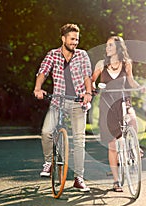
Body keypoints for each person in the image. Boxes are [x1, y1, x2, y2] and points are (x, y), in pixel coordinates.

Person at [34, 23, 92, 192]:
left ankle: (79, 178)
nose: (75, 42)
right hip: (58, 101)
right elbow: (43, 71)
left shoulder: (82, 55)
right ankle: (48, 162)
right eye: (72, 39)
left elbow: (87, 75)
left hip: (77, 102)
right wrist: (38, 88)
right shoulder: (53, 54)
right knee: (46, 132)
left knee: (79, 140)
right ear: (63, 39)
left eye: (77, 39)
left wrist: (88, 92)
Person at [91, 36, 144, 192]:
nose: (107, 48)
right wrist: (94, 88)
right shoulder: (101, 64)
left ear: (118, 47)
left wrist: (139, 87)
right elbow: (92, 80)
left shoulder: (127, 63)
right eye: (106, 45)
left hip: (122, 99)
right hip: (107, 105)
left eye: (110, 45)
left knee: (132, 118)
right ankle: (116, 181)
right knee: (112, 145)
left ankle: (134, 147)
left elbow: (131, 81)